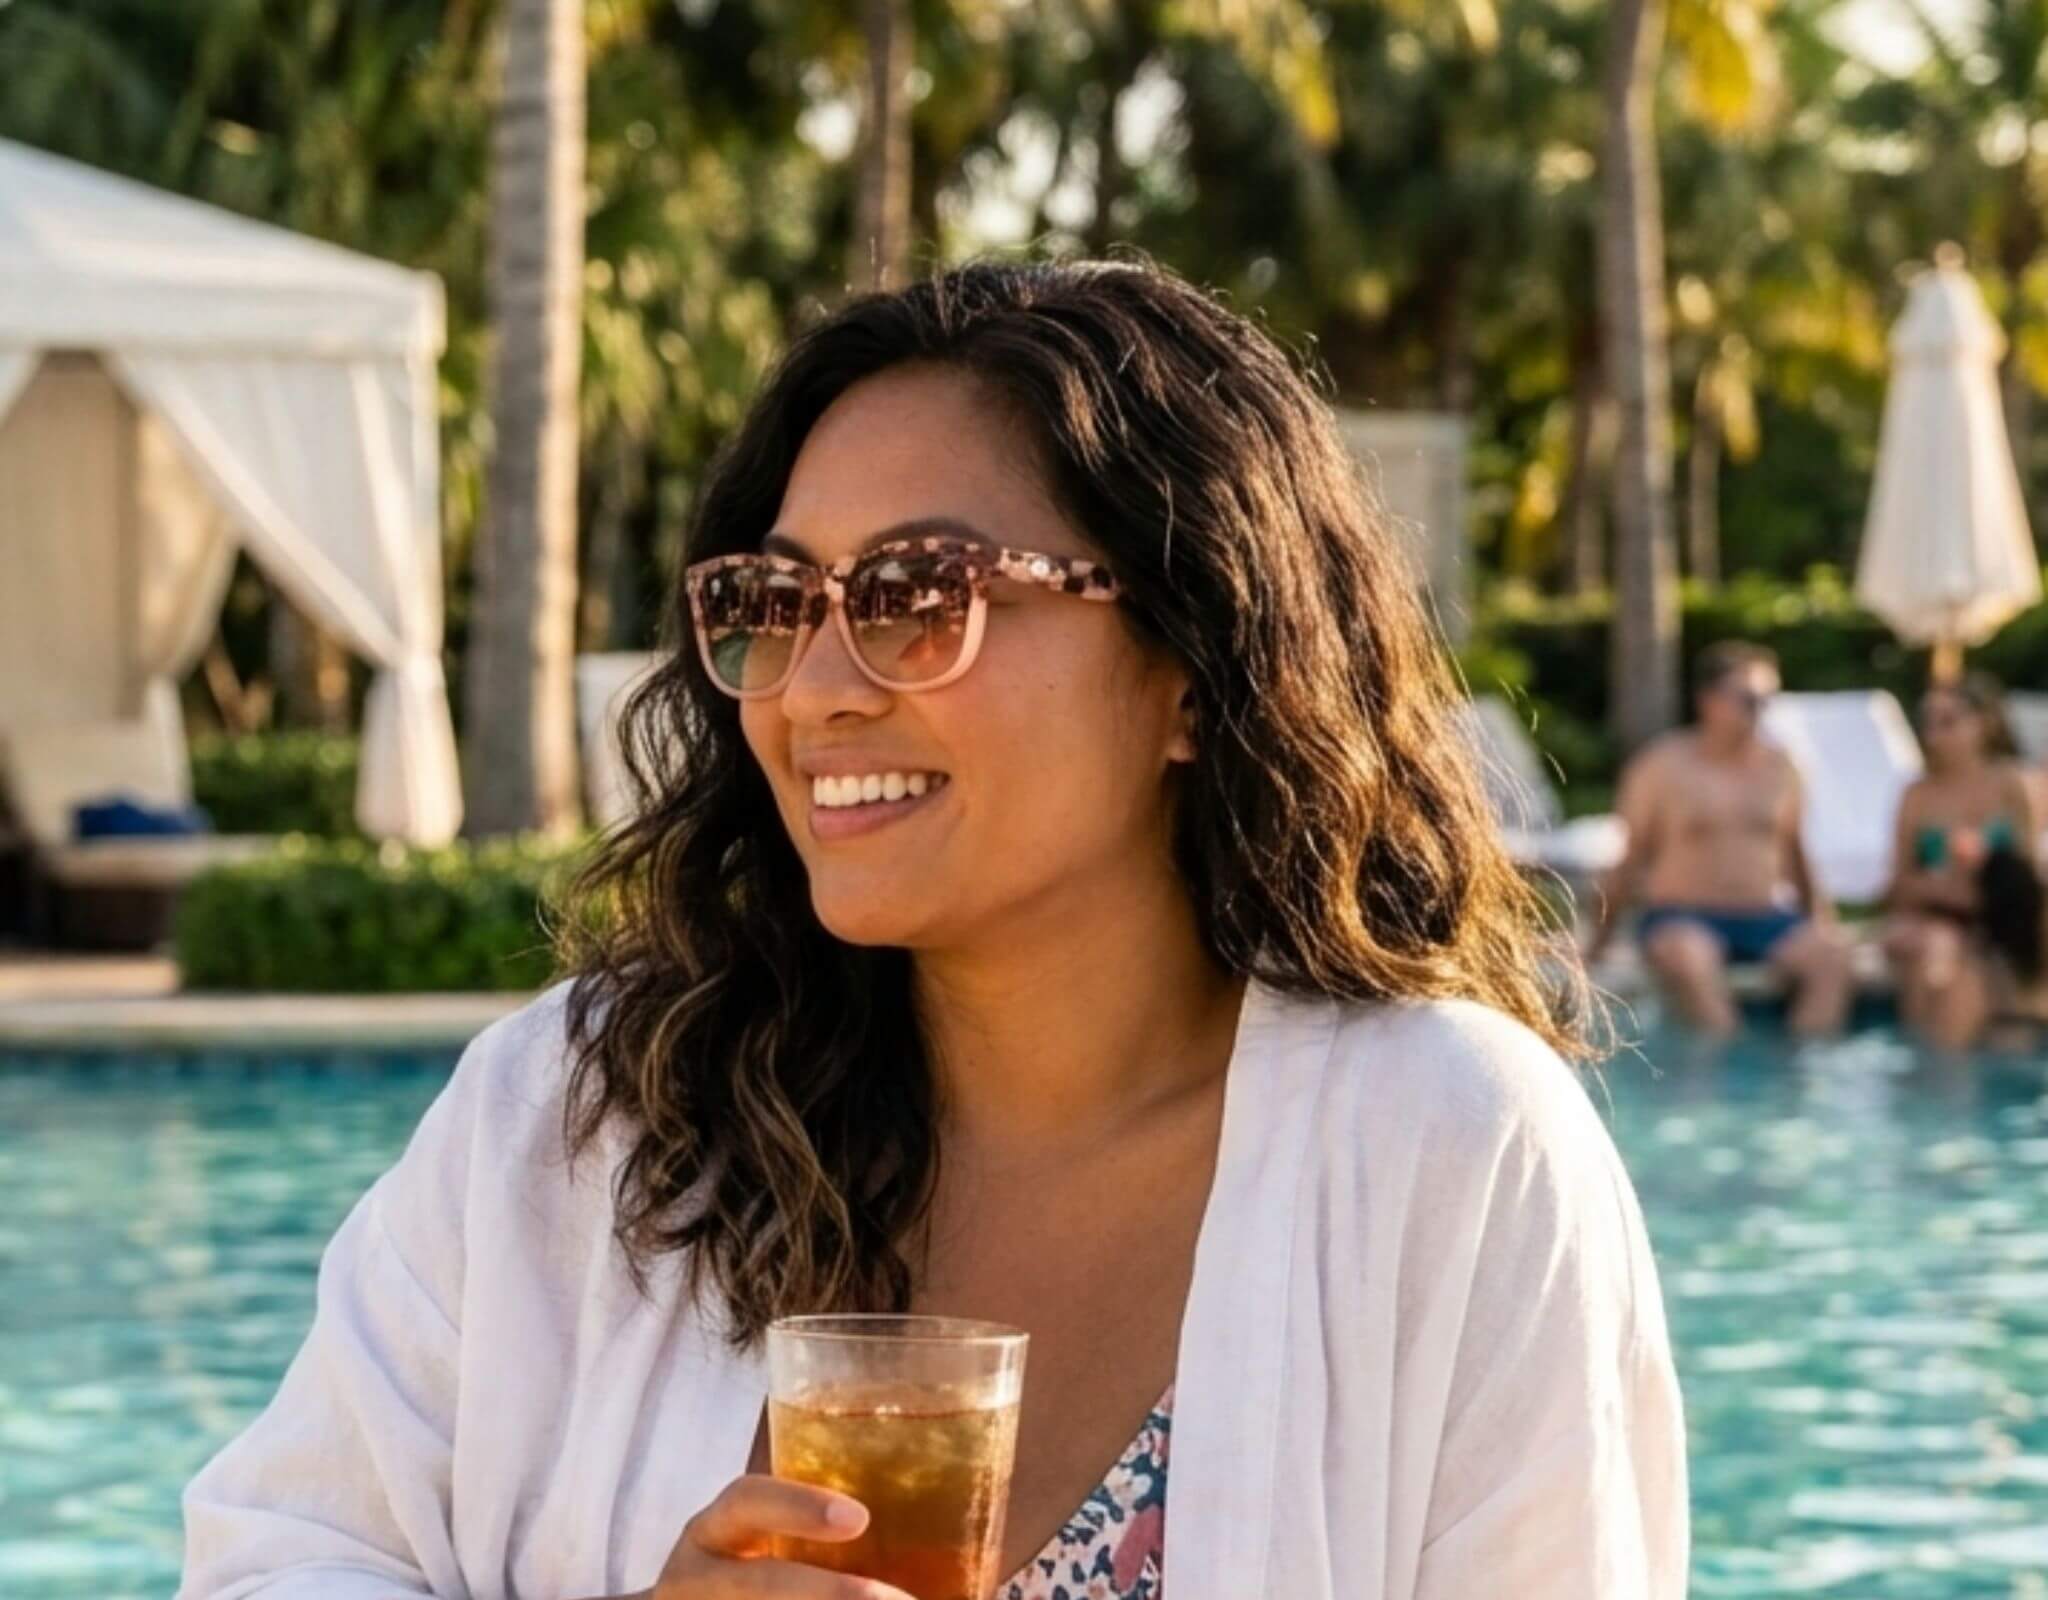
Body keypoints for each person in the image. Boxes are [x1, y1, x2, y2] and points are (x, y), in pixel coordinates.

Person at [177, 261, 1687, 1600]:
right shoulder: (581, 1120)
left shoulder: (1450, 1156)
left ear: (1186, 661)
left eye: (917, 594)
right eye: (777, 600)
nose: (815, 686)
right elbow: (276, 1556)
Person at [1588, 641, 1853, 1037]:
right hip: (1682, 916)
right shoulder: (1661, 767)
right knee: (1691, 960)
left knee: (1831, 961)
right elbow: (1630, 858)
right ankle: (1728, 1075)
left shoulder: (1782, 768)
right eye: (1748, 698)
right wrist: (1598, 944)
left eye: (1768, 699)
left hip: (1763, 916)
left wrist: (1819, 923)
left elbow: (1795, 851)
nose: (1760, 709)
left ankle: (1801, 1072)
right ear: (1708, 700)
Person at [1881, 675, 2045, 1051]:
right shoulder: (1917, 794)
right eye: (1929, 721)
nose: (1934, 733)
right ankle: (1931, 1063)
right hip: (1935, 919)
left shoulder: (2012, 784)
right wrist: (1949, 889)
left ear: (1983, 723)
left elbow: (2025, 870)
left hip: (2001, 921)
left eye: (1948, 720)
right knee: (1940, 959)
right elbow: (1899, 882)